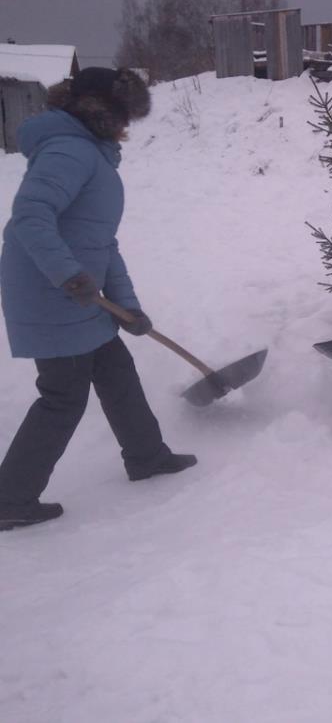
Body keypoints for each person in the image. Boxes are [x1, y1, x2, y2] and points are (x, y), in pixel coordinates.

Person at [0, 68, 196, 532]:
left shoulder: (90, 154)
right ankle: (10, 498)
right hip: (52, 294)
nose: (129, 127)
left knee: (116, 371)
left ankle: (146, 456)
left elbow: (101, 242)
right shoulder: (70, 150)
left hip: (76, 293)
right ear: (102, 113)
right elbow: (30, 217)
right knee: (63, 395)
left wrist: (127, 306)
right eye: (125, 116)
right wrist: (68, 276)